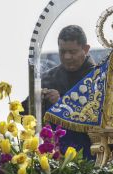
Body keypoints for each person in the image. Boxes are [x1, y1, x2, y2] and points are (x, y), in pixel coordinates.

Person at [22, 25, 96, 159]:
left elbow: (101, 117)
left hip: (92, 158)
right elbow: (25, 115)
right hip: (53, 160)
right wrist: (36, 100)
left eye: (72, 52)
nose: (67, 57)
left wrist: (61, 103)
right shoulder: (48, 77)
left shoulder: (99, 77)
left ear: (85, 49)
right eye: (62, 52)